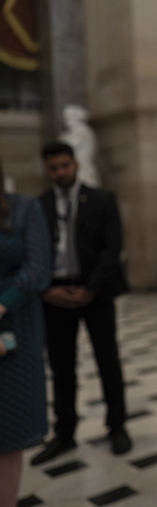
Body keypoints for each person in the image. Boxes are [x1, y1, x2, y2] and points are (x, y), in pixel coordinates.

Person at [32, 141, 131, 465]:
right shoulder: (38, 206)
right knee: (61, 367)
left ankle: (117, 426)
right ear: (47, 170)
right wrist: (46, 289)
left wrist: (90, 287)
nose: (61, 172)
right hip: (55, 295)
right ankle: (65, 433)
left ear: (75, 164)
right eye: (54, 167)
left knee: (108, 361)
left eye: (65, 165)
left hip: (95, 292)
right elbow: (33, 253)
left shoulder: (101, 198)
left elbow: (112, 246)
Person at [0, 154, 51, 507]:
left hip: (14, 327)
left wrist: (3, 304)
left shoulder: (23, 209)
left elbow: (38, 267)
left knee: (8, 431)